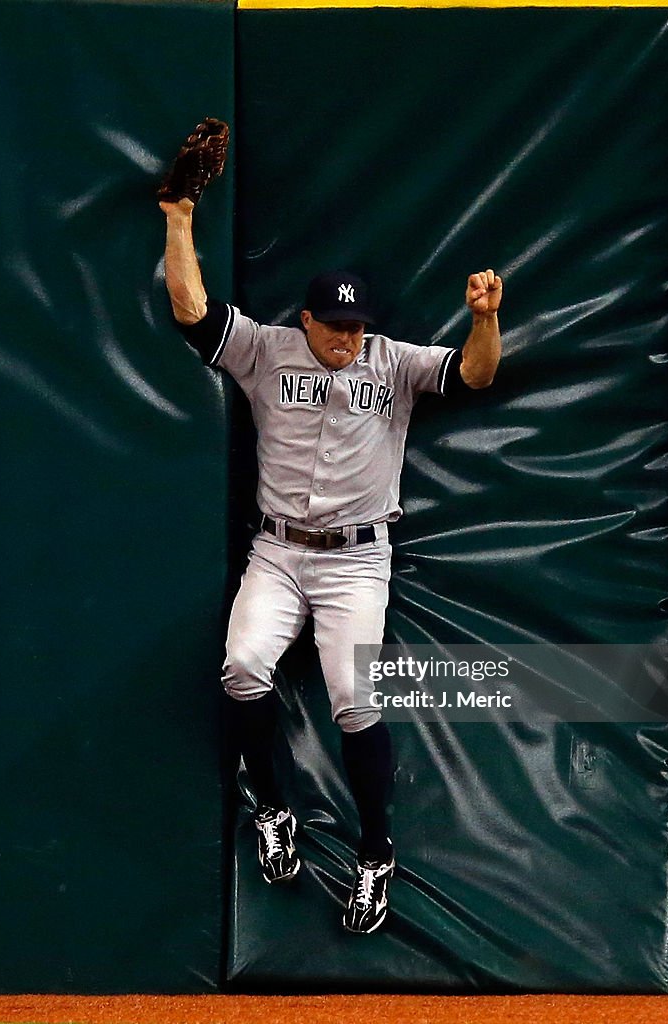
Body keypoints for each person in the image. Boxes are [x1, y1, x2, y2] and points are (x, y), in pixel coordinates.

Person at [159, 193, 502, 934]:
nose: (348, 339)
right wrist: (179, 219)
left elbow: (474, 376)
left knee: (356, 697)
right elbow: (191, 309)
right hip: (278, 551)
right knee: (242, 666)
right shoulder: (264, 349)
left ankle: (375, 854)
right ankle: (273, 808)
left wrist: (482, 319)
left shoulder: (393, 362)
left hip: (355, 560)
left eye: (357, 326)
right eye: (335, 326)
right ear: (306, 319)